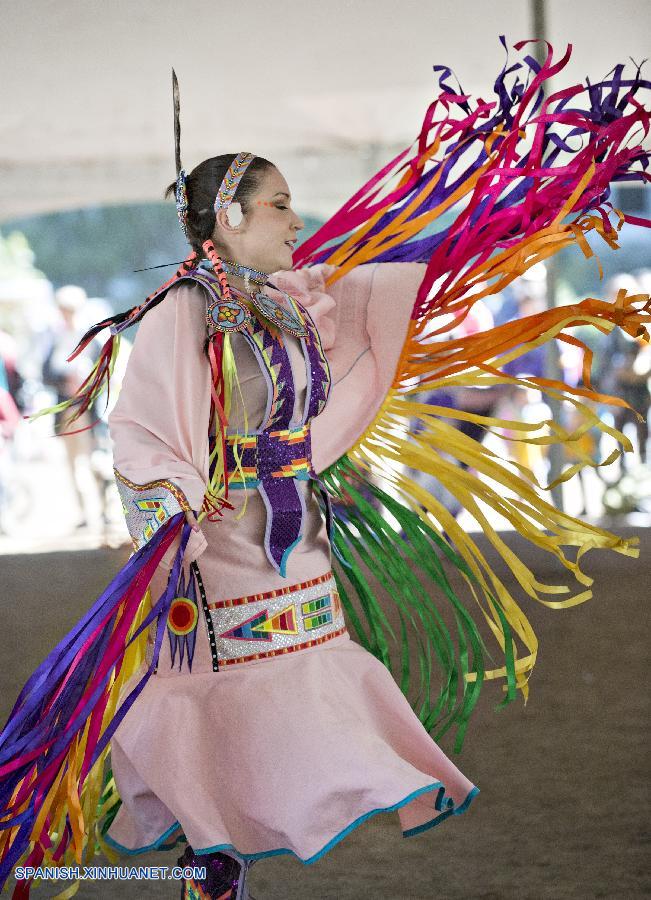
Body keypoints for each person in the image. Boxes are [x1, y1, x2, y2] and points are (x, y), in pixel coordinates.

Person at [1, 42, 650, 900]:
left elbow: (391, 283)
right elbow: (142, 432)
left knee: (307, 684)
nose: (294, 221)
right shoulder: (185, 311)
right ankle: (210, 860)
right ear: (228, 216)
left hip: (294, 535)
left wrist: (506, 216)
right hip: (218, 546)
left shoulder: (286, 300)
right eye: (277, 207)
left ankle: (228, 849)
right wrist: (178, 519)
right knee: (222, 703)